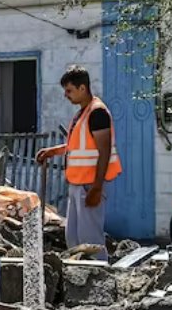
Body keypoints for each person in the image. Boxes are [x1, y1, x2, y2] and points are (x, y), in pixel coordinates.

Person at [35, 65, 121, 261]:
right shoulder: (83, 113)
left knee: (90, 240)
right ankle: (79, 282)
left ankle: (99, 281)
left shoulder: (97, 113)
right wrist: (53, 151)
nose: (66, 95)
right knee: (73, 238)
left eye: (69, 90)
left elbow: (104, 151)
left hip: (89, 185)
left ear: (82, 88)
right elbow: (79, 146)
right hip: (77, 185)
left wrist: (97, 188)